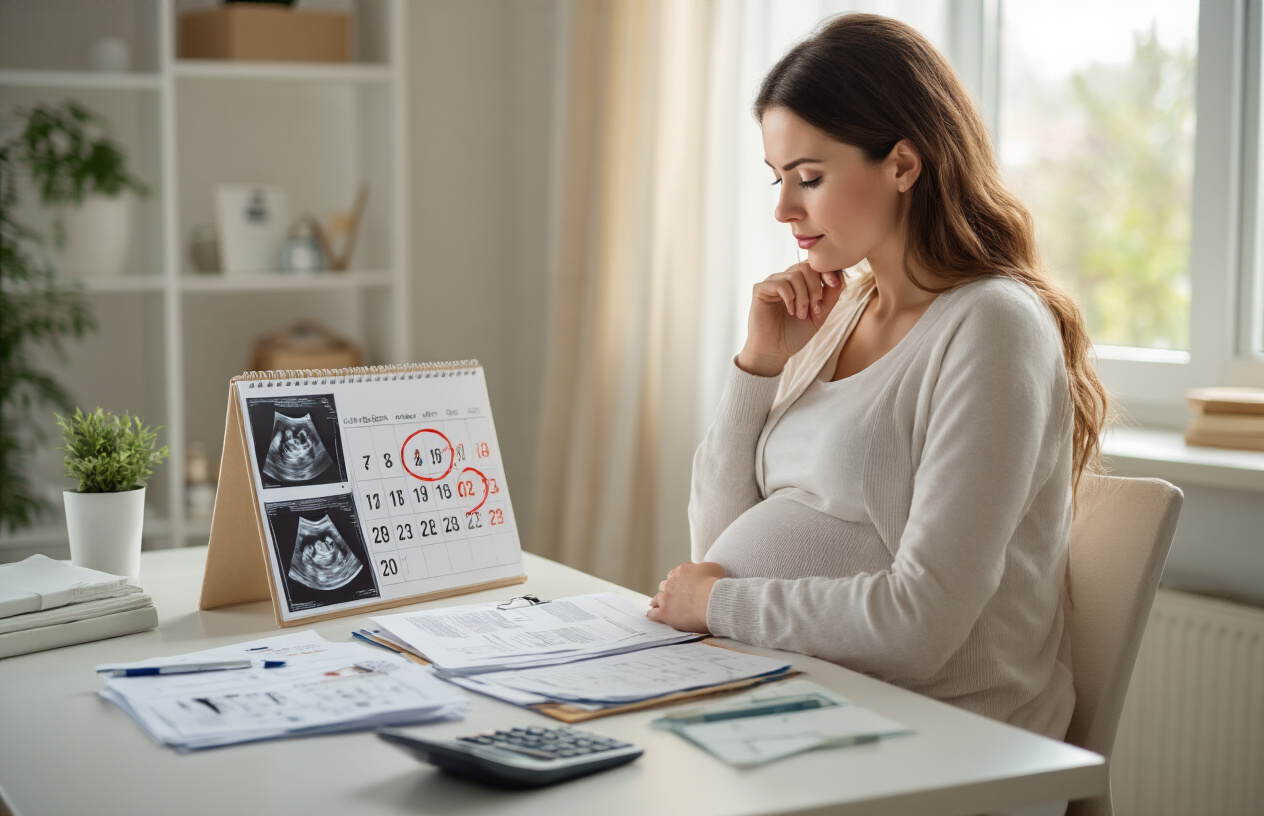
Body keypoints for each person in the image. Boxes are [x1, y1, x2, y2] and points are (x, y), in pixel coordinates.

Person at [646, 13, 1110, 745]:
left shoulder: (992, 325)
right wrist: (759, 364)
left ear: (902, 164)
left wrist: (720, 606)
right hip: (797, 694)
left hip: (942, 734)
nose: (783, 209)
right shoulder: (841, 307)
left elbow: (921, 623)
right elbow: (716, 545)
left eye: (809, 178)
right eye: (777, 179)